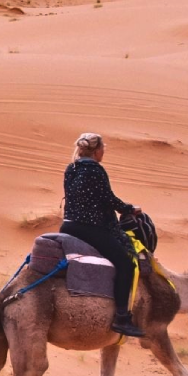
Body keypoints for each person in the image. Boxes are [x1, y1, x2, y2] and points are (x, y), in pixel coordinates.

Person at [61, 133, 147, 337]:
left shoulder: (71, 168)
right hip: (89, 228)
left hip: (67, 226)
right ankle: (121, 318)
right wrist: (129, 208)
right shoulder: (96, 170)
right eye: (103, 149)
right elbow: (108, 199)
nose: (103, 153)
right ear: (97, 151)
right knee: (126, 263)